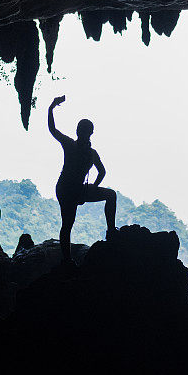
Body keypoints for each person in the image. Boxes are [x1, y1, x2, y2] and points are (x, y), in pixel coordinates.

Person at [48, 95, 117, 265]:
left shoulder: (87, 151)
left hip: (77, 189)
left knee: (111, 195)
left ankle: (111, 230)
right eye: (84, 131)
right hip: (66, 189)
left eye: (85, 131)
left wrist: (93, 187)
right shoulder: (72, 146)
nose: (84, 134)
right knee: (68, 222)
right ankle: (67, 259)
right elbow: (53, 129)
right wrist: (51, 108)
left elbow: (102, 172)